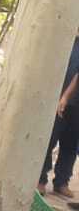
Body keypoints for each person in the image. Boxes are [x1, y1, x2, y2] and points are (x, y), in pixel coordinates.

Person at [39, 30, 79, 197]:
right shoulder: (64, 41)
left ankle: (62, 181)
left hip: (76, 104)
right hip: (56, 100)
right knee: (48, 140)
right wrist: (62, 98)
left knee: (71, 144)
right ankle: (40, 179)